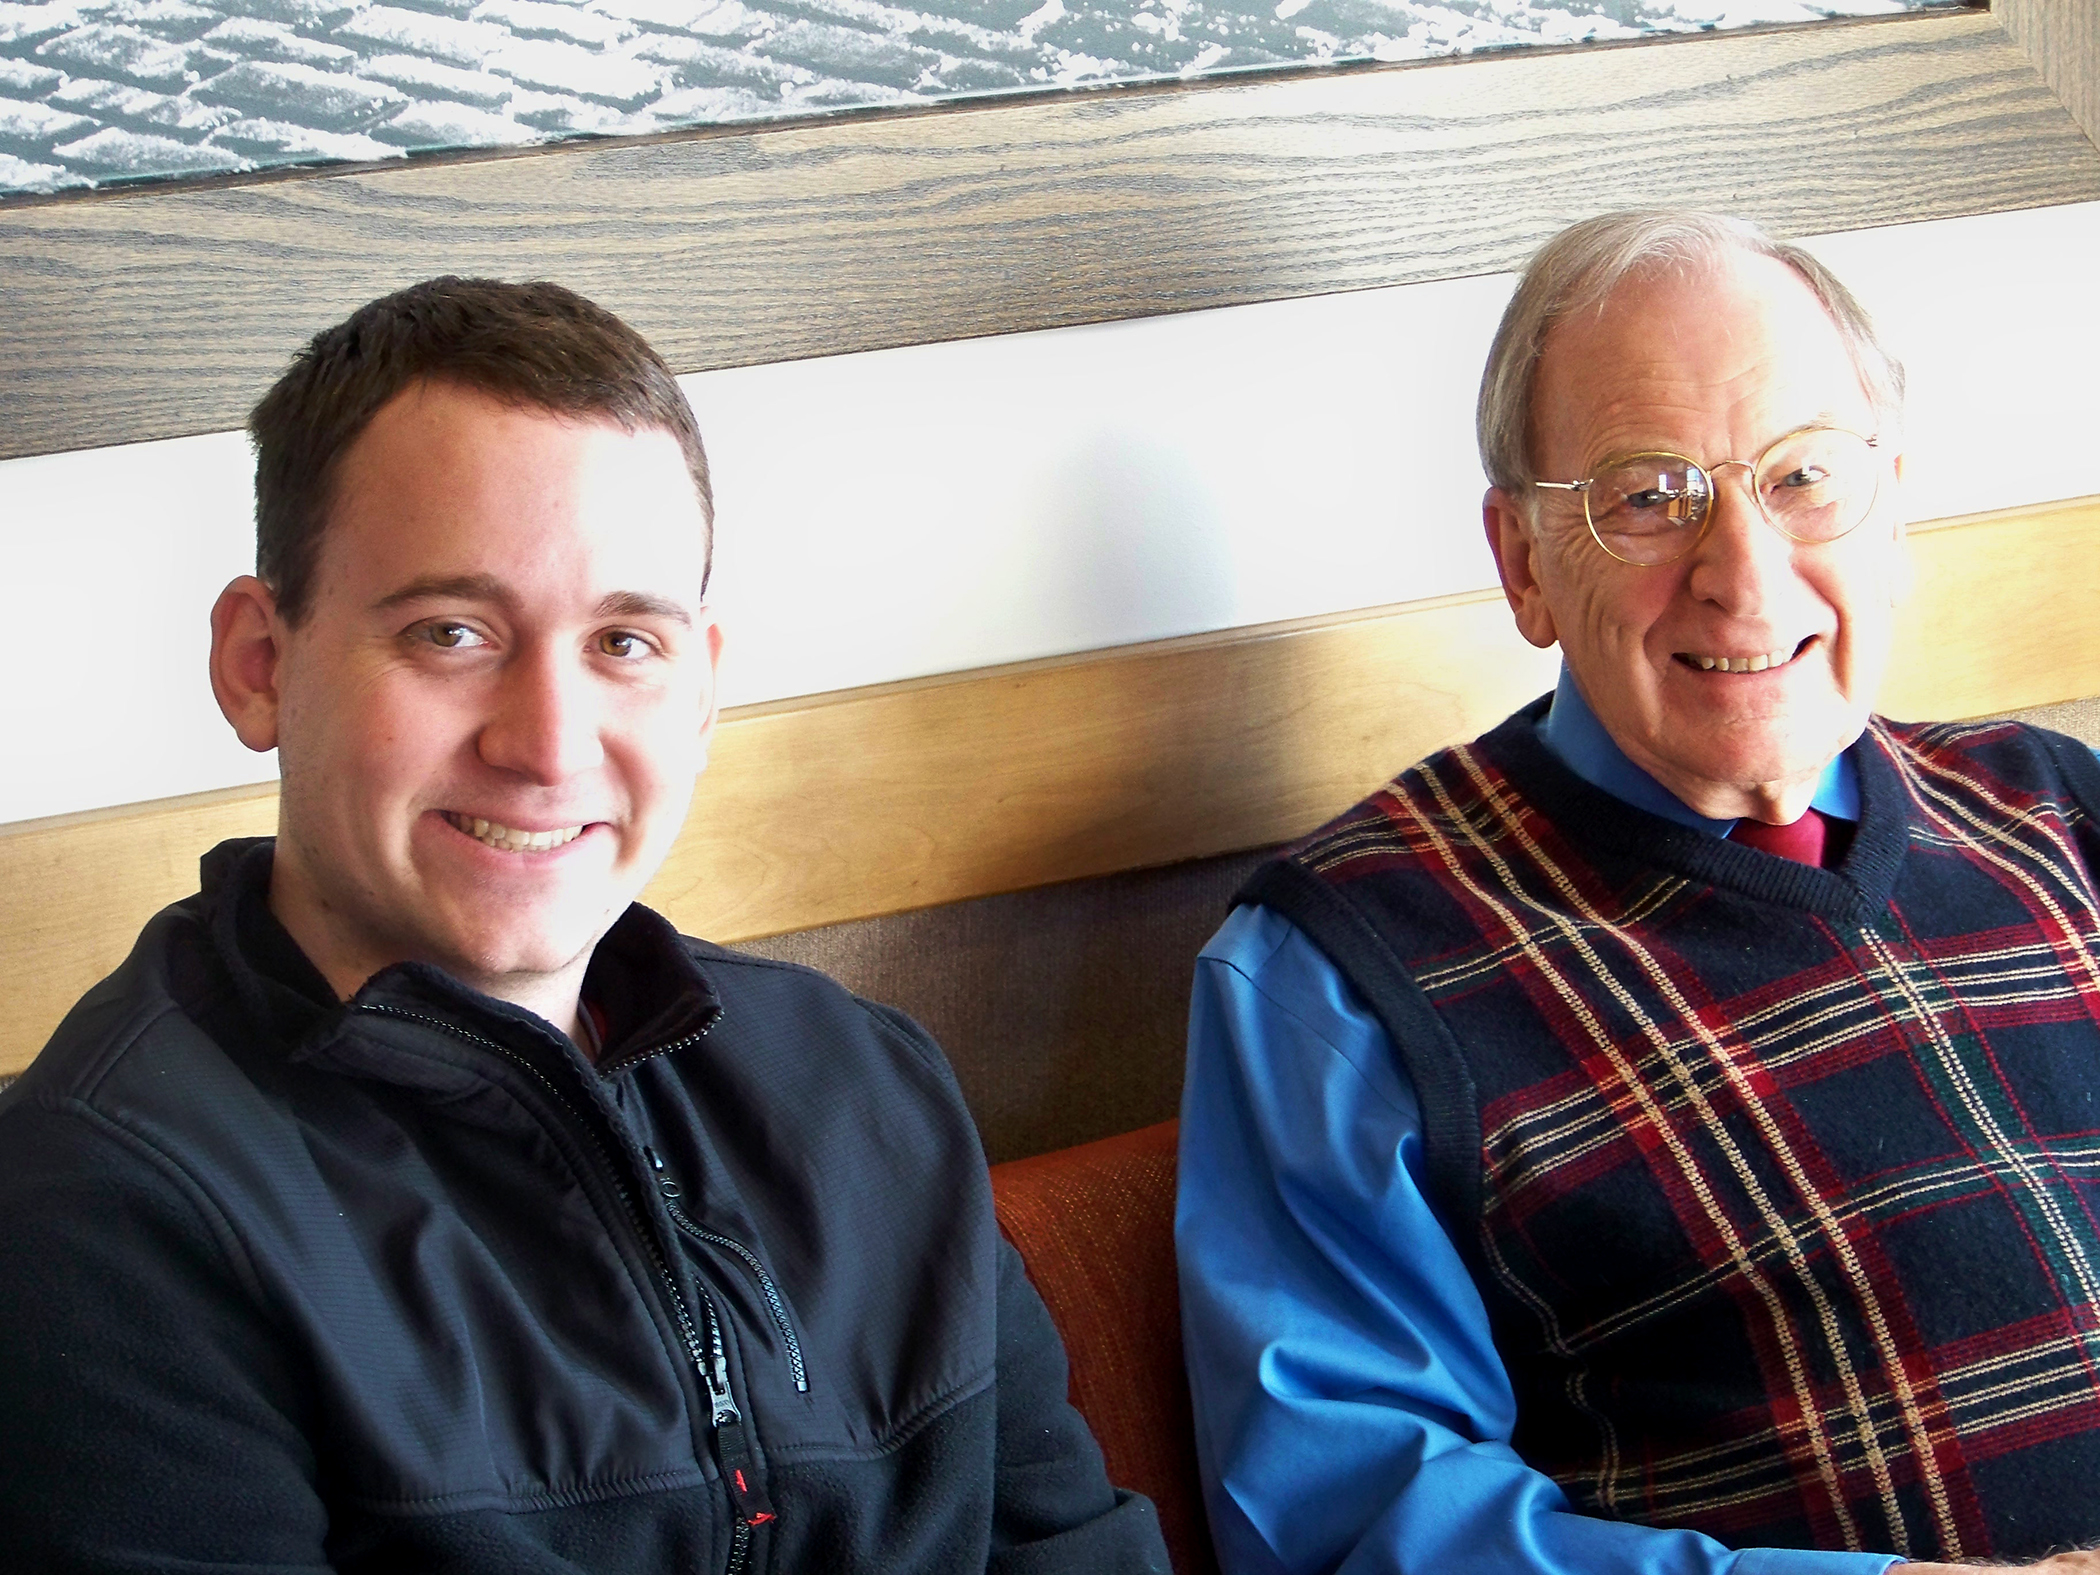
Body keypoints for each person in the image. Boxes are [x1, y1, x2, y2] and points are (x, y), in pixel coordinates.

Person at [0, 278, 1167, 1574]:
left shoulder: (866, 1086)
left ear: (706, 687)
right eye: (452, 633)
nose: (547, 745)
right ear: (259, 664)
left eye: (624, 643)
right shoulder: (100, 1214)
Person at [1176, 210, 2100, 1575]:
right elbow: (1355, 1521)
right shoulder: (1340, 972)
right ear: (1525, 562)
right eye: (1650, 495)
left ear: (1893, 505)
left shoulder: (2057, 806)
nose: (1743, 574)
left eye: (1805, 480)